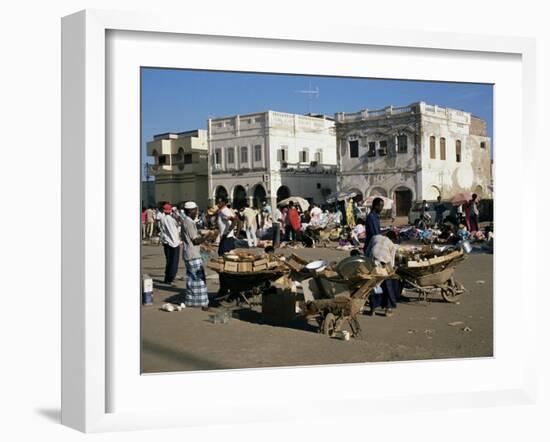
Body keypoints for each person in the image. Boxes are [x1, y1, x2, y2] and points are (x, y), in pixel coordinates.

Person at [180, 201, 211, 310]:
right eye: (195, 210)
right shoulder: (188, 222)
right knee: (199, 279)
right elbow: (195, 241)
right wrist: (208, 236)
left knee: (192, 280)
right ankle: (203, 304)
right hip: (192, 254)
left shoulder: (188, 221)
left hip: (191, 253)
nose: (196, 212)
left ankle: (191, 301)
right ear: (190, 211)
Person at [365, 231, 401, 317]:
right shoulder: (392, 245)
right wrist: (391, 271)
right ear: (393, 239)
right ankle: (388, 309)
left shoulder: (375, 237)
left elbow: (367, 251)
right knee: (388, 285)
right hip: (384, 263)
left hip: (372, 262)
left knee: (373, 285)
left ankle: (372, 309)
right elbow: (391, 261)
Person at [157, 203, 182, 286]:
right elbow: (180, 221)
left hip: (166, 242)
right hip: (174, 242)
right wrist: (176, 212)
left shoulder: (162, 218)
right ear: (170, 210)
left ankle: (167, 277)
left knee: (168, 261)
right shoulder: (172, 219)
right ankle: (171, 278)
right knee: (174, 262)